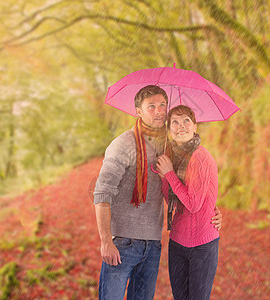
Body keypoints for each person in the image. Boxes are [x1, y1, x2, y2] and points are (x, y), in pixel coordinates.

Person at [94, 86, 222, 300]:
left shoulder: (170, 145)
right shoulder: (123, 144)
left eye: (162, 105)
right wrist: (106, 240)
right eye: (151, 106)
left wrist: (212, 209)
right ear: (139, 111)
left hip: (153, 245)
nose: (158, 110)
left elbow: (191, 188)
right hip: (123, 244)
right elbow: (102, 193)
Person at [156, 105, 220, 300]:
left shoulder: (200, 156)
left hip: (202, 246)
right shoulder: (174, 157)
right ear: (169, 130)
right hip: (177, 243)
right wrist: (166, 177)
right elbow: (173, 202)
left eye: (186, 121)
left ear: (195, 127)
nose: (180, 126)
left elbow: (193, 204)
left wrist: (169, 174)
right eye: (174, 122)